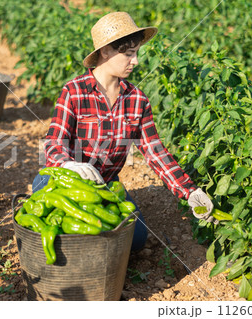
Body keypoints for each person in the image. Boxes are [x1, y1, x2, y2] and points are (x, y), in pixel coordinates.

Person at [32, 12, 215, 251]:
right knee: (65, 236)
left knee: (135, 239)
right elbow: (54, 141)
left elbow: (155, 151)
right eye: (129, 54)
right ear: (106, 51)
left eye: (136, 53)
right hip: (63, 181)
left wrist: (189, 191)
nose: (136, 61)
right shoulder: (74, 91)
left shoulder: (137, 100)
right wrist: (69, 165)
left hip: (106, 185)